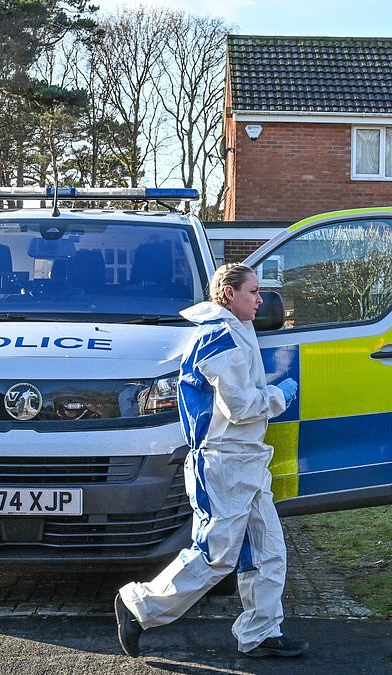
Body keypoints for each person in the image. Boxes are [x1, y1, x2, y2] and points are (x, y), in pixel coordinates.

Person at [114, 262, 308, 659]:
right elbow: (240, 407)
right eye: (253, 291)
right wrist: (282, 395)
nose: (260, 299)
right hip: (224, 463)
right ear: (228, 294)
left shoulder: (231, 332)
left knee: (267, 548)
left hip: (244, 460)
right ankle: (140, 607)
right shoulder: (222, 338)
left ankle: (261, 632)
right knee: (215, 556)